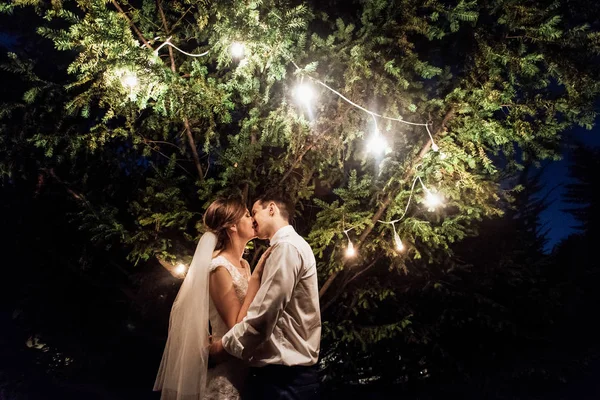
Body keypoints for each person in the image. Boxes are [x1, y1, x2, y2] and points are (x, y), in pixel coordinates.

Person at [154, 197, 271, 400]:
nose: (252, 219)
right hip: (225, 374)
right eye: (246, 215)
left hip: (244, 367)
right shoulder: (218, 267)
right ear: (233, 226)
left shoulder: (243, 264)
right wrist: (257, 277)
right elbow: (235, 323)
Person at [209, 193, 321, 399]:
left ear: (271, 209)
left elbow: (263, 316)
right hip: (277, 377)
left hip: (284, 378)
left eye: (253, 212)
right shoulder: (282, 248)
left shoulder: (286, 248)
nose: (252, 220)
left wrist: (221, 348)